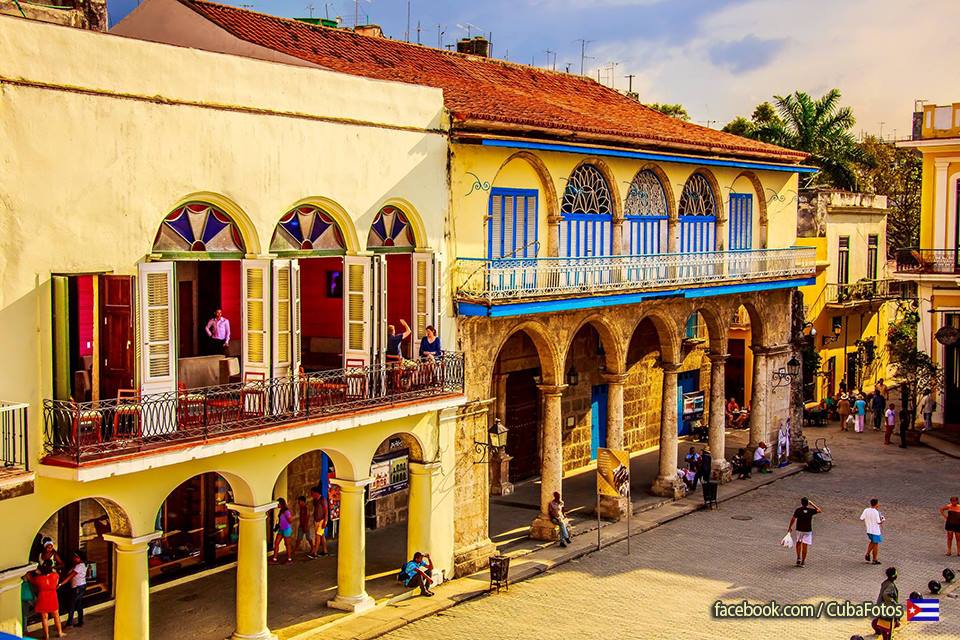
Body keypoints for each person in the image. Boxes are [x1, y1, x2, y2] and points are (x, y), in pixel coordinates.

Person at [31, 561, 63, 639]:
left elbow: (31, 580)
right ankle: (60, 632)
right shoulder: (55, 575)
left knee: (44, 617)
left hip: (42, 597)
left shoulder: (38, 579)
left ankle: (47, 636)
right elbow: (56, 583)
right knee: (56, 615)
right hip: (52, 596)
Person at [787, 497, 822, 567]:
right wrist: (812, 504)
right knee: (805, 546)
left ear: (801, 503)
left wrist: (790, 527)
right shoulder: (810, 511)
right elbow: (819, 510)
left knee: (798, 543)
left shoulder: (798, 510)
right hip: (808, 531)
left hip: (799, 529)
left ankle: (798, 558)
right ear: (807, 504)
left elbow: (793, 519)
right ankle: (803, 561)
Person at [60, 550, 87, 628]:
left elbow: (70, 576)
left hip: (77, 588)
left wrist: (61, 584)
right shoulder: (81, 565)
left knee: (72, 605)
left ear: (79, 558)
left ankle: (69, 623)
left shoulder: (79, 566)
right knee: (79, 604)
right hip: (81, 586)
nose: (73, 558)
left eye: (75, 557)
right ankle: (80, 621)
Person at [874, 566, 900, 640]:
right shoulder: (891, 586)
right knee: (889, 629)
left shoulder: (885, 583)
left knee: (883, 628)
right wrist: (893, 604)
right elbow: (886, 595)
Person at [861, 498, 885, 565]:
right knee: (876, 544)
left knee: (872, 542)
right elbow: (878, 522)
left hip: (869, 530)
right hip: (876, 531)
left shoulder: (866, 510)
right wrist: (882, 520)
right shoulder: (876, 512)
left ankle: (868, 554)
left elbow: (861, 518)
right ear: (876, 504)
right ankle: (874, 559)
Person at [271, 497, 295, 564]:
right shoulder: (281, 511)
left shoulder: (286, 512)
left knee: (287, 544)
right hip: (281, 529)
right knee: (276, 543)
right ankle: (275, 559)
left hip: (286, 529)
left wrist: (285, 522)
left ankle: (289, 559)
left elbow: (290, 520)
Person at [309, 486, 329, 558]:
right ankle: (325, 551)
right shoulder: (315, 500)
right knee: (322, 536)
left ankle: (315, 553)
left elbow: (326, 511)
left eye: (312, 493)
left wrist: (325, 521)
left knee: (318, 537)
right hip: (317, 521)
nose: (311, 495)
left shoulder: (322, 500)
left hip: (322, 520)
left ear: (316, 493)